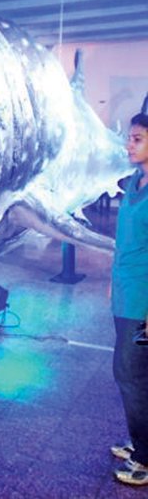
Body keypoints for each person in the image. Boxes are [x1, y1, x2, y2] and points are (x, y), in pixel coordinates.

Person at [110, 111, 148, 485]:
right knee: (131, 374)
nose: (128, 144)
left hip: (142, 306)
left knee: (133, 376)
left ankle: (145, 459)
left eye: (137, 138)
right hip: (125, 296)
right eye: (130, 137)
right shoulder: (136, 182)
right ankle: (140, 442)